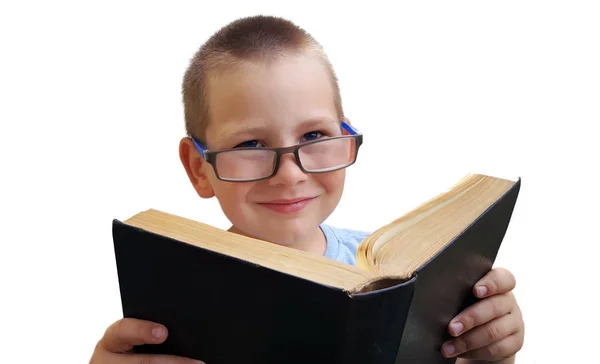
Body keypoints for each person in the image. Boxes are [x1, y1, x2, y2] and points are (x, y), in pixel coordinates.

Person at [90, 15, 524, 364]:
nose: (290, 174)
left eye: (315, 136)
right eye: (251, 144)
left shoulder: (387, 283)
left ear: (345, 133)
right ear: (199, 168)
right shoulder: (171, 300)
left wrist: (490, 355)